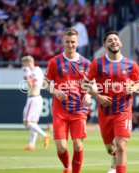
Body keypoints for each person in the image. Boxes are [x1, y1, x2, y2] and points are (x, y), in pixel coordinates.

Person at [82, 31, 139, 173]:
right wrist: (97, 97)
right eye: (110, 40)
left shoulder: (130, 64)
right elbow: (84, 84)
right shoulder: (97, 64)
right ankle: (114, 161)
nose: (114, 41)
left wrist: (133, 88)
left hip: (123, 110)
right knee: (111, 148)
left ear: (120, 43)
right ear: (105, 45)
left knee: (121, 144)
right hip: (105, 112)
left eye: (116, 39)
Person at [45, 28, 91, 173]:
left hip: (79, 109)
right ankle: (67, 166)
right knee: (61, 147)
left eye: (73, 42)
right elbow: (45, 83)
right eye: (67, 42)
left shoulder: (86, 63)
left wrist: (89, 94)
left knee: (78, 145)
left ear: (77, 43)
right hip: (60, 110)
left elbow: (91, 83)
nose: (70, 45)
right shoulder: (55, 62)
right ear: (63, 42)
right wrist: (55, 91)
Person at [21, 56, 51, 151]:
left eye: (24, 64)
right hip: (36, 98)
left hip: (33, 98)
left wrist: (27, 74)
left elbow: (31, 84)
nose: (23, 67)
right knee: (33, 123)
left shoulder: (35, 72)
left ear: (28, 63)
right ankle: (31, 145)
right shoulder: (36, 71)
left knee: (27, 122)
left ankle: (45, 135)